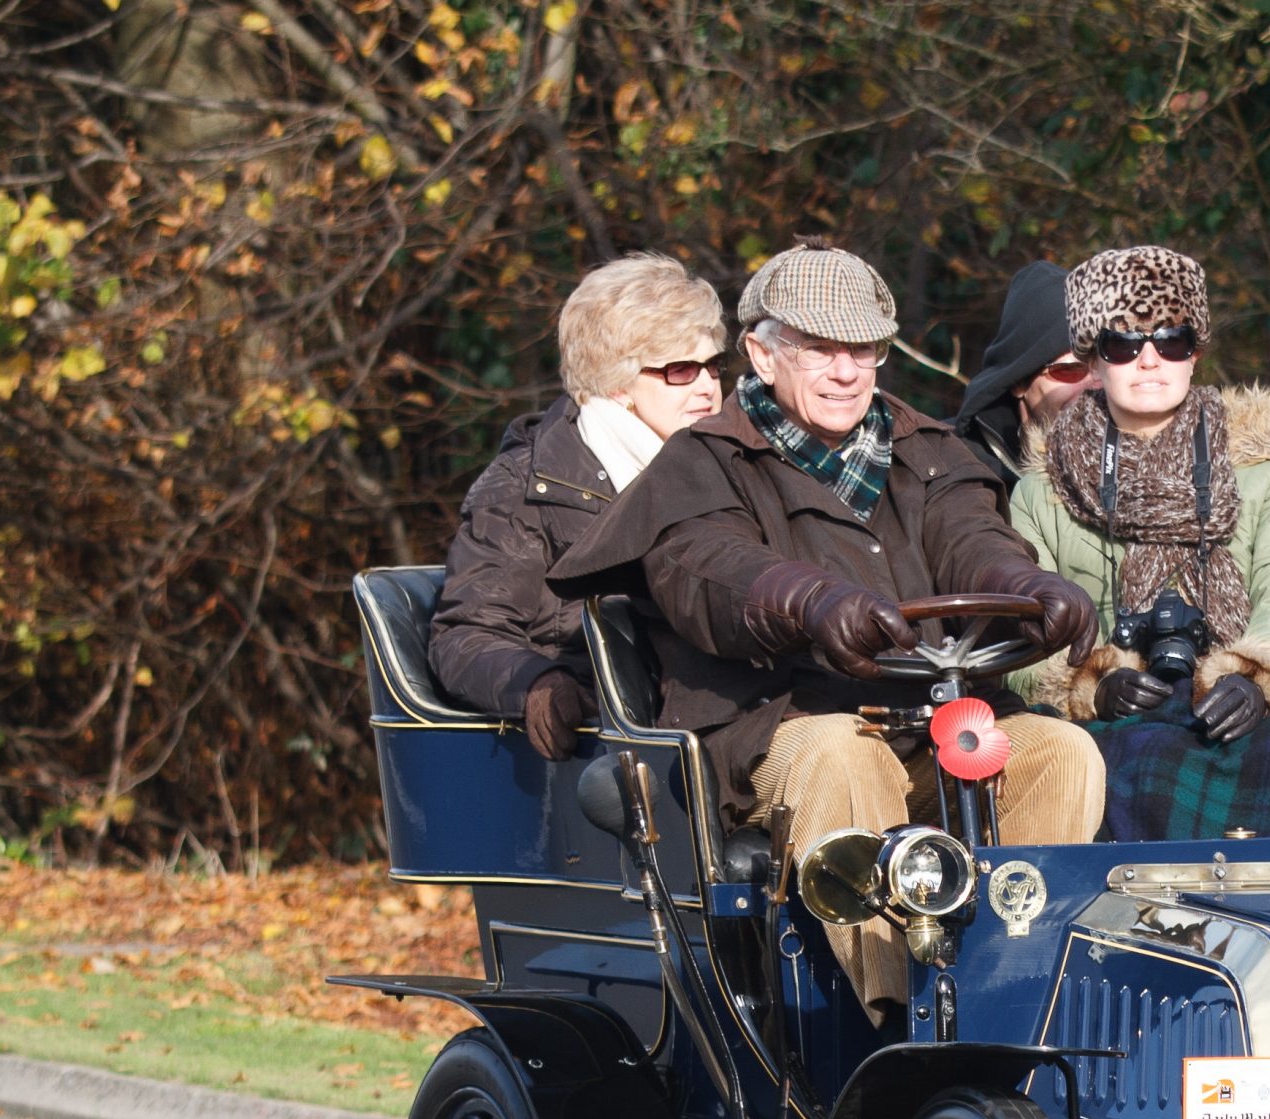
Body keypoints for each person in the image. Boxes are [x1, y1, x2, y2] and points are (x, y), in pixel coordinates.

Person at [549, 237, 1104, 1025]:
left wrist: (1028, 586)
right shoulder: (703, 463)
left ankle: (1016, 994)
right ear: (761, 354)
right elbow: (713, 569)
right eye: (821, 350)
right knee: (842, 750)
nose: (848, 372)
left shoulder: (927, 452)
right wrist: (810, 602)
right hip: (781, 732)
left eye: (865, 351)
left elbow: (971, 537)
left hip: (929, 727)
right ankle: (893, 1019)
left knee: (1062, 751)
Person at [1008, 244, 1270, 841]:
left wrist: (1256, 673)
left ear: (1197, 352)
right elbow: (1023, 628)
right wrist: (1091, 683)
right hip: (1116, 713)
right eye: (1124, 344)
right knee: (1104, 768)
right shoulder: (1040, 489)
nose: (1150, 360)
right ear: (1095, 360)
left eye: (1172, 339)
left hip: (1258, 697)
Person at [430, 253, 726, 757]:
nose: (707, 386)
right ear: (616, 382)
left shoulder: (727, 468)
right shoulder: (522, 488)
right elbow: (466, 634)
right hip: (608, 749)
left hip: (714, 722)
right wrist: (538, 684)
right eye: (681, 369)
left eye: (713, 366)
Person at [947, 260, 1097, 489]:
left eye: (1102, 368)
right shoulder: (953, 470)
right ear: (1019, 382)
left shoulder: (1145, 467)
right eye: (1070, 370)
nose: (1093, 385)